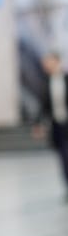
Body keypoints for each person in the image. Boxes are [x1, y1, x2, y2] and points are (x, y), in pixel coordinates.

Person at [36, 51, 68, 198]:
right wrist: (38, 124)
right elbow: (44, 105)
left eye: (48, 61)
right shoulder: (46, 81)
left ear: (56, 61)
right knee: (63, 157)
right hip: (58, 126)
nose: (45, 64)